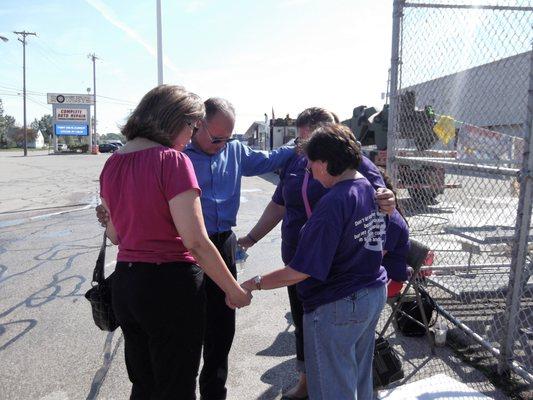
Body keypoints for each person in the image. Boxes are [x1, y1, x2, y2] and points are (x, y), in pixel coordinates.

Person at [98, 85, 251, 400]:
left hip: (127, 286)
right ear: (176, 121)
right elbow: (195, 241)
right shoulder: (172, 161)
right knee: (177, 386)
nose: (191, 136)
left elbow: (115, 235)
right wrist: (233, 290)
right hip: (169, 287)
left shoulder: (113, 162)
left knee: (144, 384)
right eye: (192, 127)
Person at [237, 107, 395, 400]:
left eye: (310, 165)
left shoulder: (332, 204)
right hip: (369, 292)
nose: (307, 171)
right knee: (359, 378)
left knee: (333, 387)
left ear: (325, 162)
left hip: (337, 301)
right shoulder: (364, 187)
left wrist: (252, 283)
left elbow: (300, 270)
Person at [183, 97, 295, 400]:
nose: (222, 145)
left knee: (221, 328)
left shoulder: (233, 150)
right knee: (187, 330)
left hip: (222, 244)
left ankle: (214, 394)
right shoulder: (177, 154)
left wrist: (299, 147)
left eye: (227, 138)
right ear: (197, 125)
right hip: (186, 249)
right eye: (216, 138)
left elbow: (269, 160)